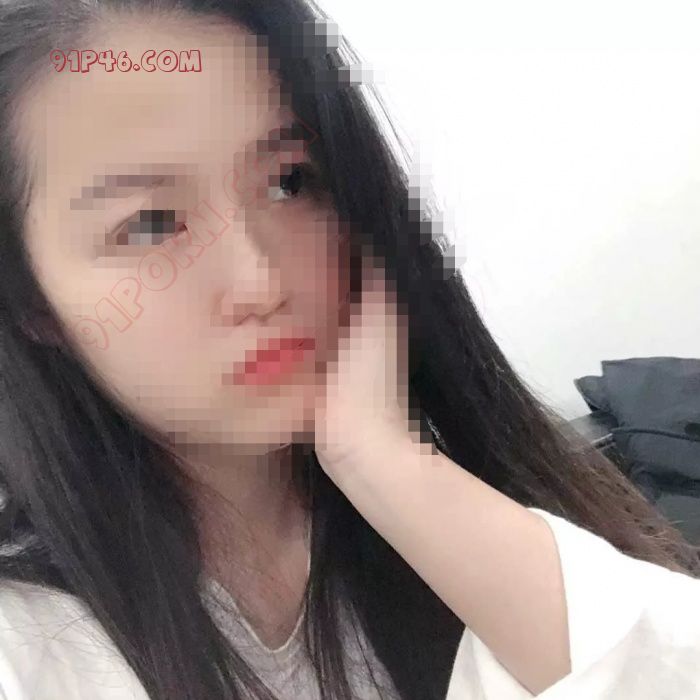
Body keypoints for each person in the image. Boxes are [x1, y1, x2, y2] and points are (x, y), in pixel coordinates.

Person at [0, 0, 698, 698]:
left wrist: (386, 467)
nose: (261, 282)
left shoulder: (455, 504)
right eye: (152, 225)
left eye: (290, 181)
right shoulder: (30, 643)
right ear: (30, 299)